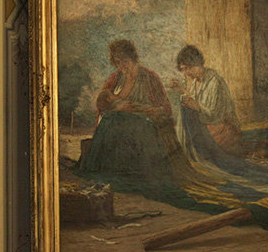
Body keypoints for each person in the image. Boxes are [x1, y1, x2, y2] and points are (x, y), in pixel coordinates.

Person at [78, 39, 175, 179]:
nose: (121, 66)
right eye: (118, 62)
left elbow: (165, 110)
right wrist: (118, 107)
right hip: (121, 124)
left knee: (115, 120)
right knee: (110, 119)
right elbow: (103, 104)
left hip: (145, 125)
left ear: (133, 58)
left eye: (125, 61)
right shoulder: (115, 78)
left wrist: (140, 110)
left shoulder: (149, 78)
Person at [169, 45, 242, 158]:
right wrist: (182, 90)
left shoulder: (214, 82)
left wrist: (197, 107)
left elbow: (215, 116)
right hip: (209, 127)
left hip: (224, 130)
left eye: (188, 68)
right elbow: (193, 102)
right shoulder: (196, 82)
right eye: (184, 69)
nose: (186, 73)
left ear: (198, 63)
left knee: (191, 140)